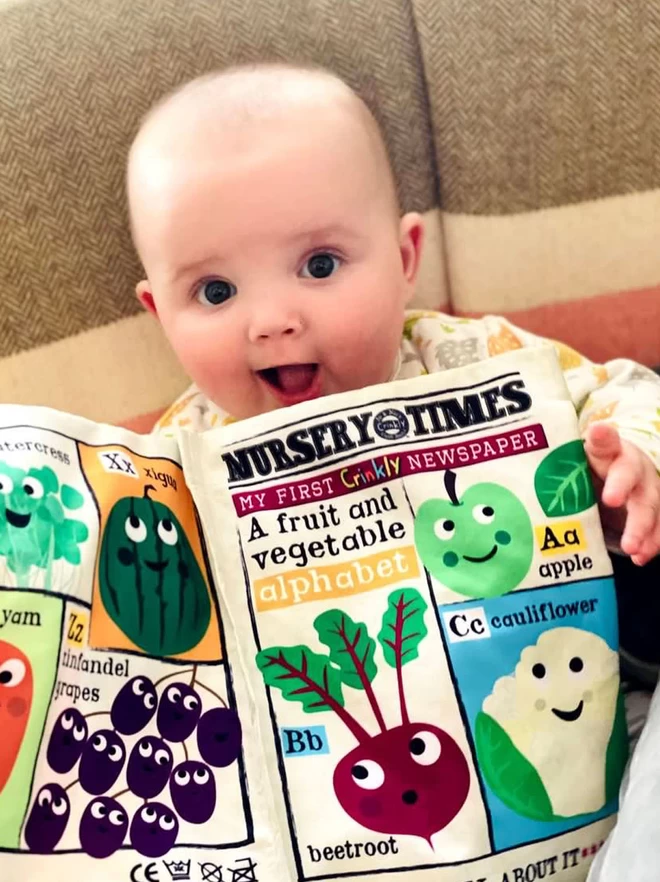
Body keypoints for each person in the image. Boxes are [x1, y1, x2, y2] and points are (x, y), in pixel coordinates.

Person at [126, 61, 660, 565]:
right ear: (161, 314)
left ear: (404, 260)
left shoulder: (473, 359)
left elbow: (626, 391)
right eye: (216, 292)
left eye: (319, 265)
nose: (271, 321)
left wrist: (628, 462)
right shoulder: (173, 458)